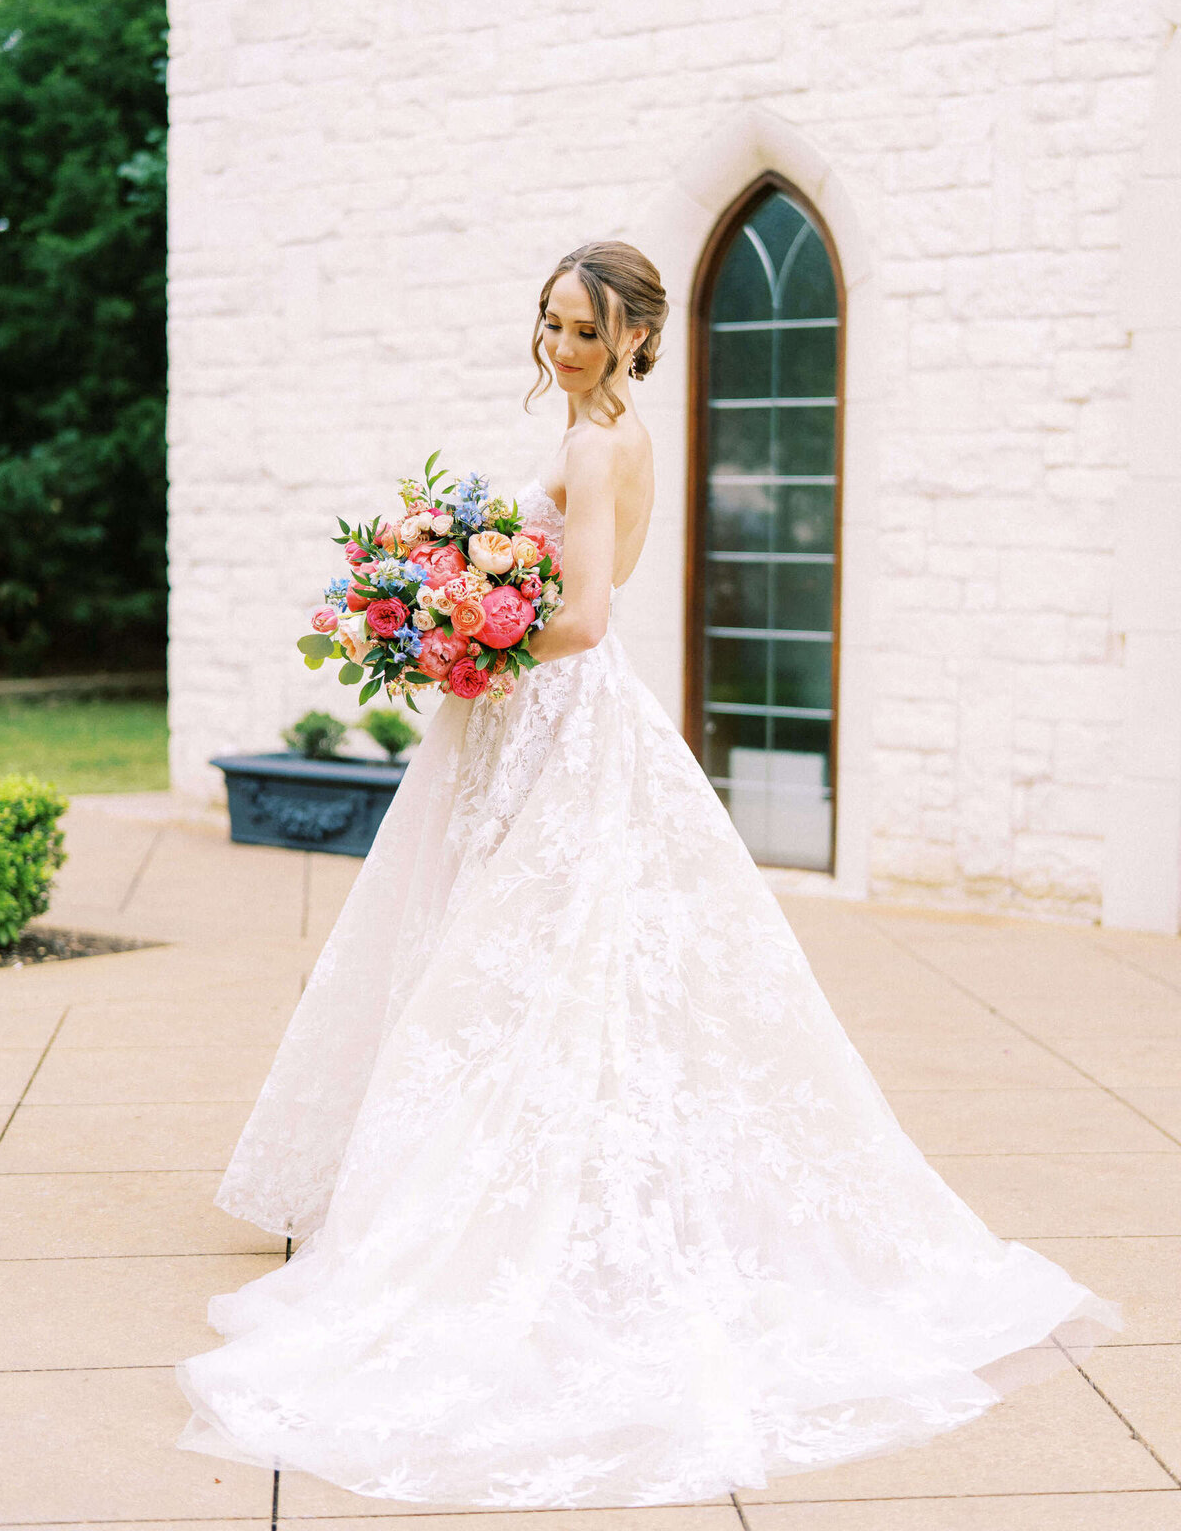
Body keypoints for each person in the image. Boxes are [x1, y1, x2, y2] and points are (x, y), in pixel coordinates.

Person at [176, 241, 1122, 1510]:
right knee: (540, 963)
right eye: (550, 321)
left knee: (526, 961)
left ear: (631, 338)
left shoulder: (589, 445)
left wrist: (454, 623)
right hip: (547, 720)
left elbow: (586, 616)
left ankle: (531, 1219)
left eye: (582, 330)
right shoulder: (618, 430)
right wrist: (463, 594)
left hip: (559, 718)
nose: (557, 346)